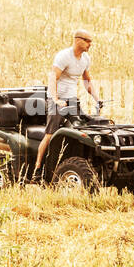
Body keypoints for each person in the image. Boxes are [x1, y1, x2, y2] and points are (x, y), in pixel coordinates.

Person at [34, 29, 99, 178]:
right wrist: (56, 99)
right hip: (56, 100)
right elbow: (53, 78)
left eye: (91, 41)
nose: (90, 44)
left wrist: (97, 98)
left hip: (71, 100)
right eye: (87, 41)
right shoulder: (64, 56)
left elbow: (87, 80)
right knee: (50, 134)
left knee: (83, 128)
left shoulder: (85, 59)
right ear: (77, 40)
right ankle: (37, 169)